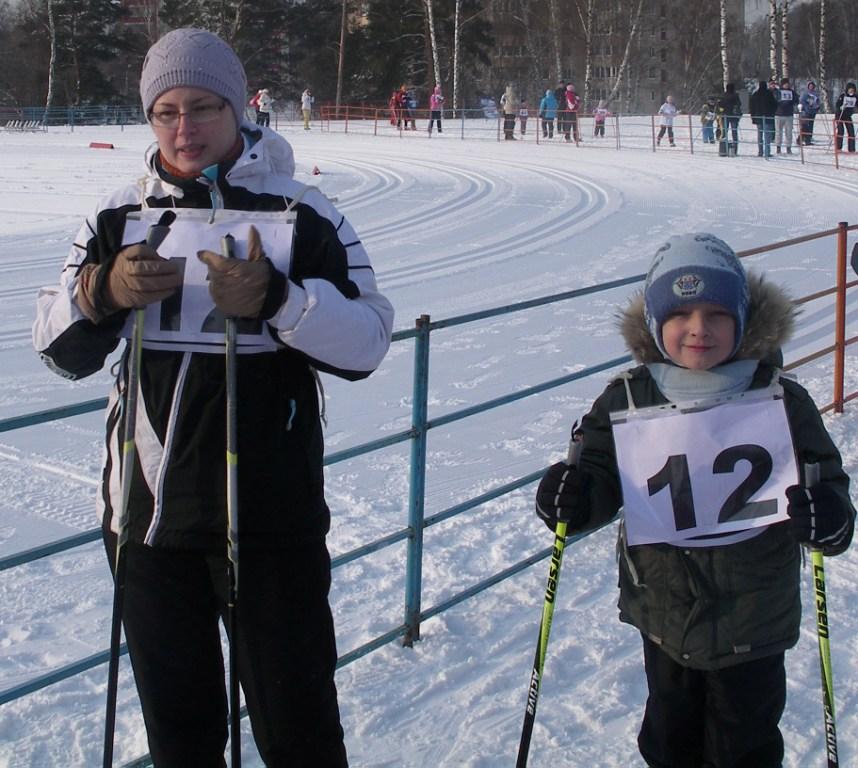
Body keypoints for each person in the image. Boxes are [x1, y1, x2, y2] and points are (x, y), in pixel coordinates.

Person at [33, 28, 394, 767]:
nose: (184, 128)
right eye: (166, 111)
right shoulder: (117, 214)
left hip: (269, 522)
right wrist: (100, 291)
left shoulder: (303, 211)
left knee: (298, 731)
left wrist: (281, 300)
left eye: (202, 107)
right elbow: (55, 347)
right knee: (182, 734)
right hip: (147, 521)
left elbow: (369, 340)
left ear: (238, 108)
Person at [534, 232, 855, 768]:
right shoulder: (630, 397)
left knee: (744, 747)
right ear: (657, 322)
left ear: (743, 319)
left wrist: (828, 518)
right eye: (680, 314)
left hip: (754, 618)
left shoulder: (779, 398)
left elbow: (828, 484)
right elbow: (599, 476)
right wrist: (571, 497)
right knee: (669, 741)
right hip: (665, 614)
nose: (699, 329)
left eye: (716, 313)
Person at [750, 79, 778, 157]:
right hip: (768, 117)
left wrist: (753, 116)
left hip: (758, 117)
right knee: (767, 135)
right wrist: (772, 113)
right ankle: (767, 152)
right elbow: (774, 104)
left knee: (760, 135)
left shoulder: (755, 94)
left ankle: (760, 151)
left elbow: (751, 106)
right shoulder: (769, 94)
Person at [716, 82, 742, 156]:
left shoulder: (724, 95)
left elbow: (720, 105)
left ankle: (723, 150)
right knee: (734, 133)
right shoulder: (736, 96)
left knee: (724, 132)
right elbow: (739, 104)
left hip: (725, 116)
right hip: (734, 117)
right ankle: (735, 150)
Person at [774, 77, 796, 154]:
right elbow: (775, 100)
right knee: (778, 132)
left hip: (789, 114)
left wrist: (792, 102)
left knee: (789, 132)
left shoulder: (792, 92)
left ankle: (788, 147)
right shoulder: (778, 92)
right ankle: (778, 147)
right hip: (779, 114)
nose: (787, 85)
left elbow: (796, 99)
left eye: (787, 84)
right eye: (785, 84)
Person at [835, 82, 857, 153]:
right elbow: (837, 104)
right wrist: (841, 107)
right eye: (850, 90)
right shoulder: (843, 96)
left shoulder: (855, 97)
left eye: (853, 90)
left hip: (847, 116)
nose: (851, 92)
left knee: (851, 131)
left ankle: (851, 149)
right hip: (840, 115)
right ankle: (838, 148)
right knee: (841, 131)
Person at [798, 80, 820, 145]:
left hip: (813, 111)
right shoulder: (805, 93)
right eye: (810, 86)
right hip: (805, 112)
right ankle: (801, 138)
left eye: (812, 86)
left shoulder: (815, 94)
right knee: (805, 126)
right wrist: (806, 107)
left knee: (811, 125)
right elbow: (802, 102)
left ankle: (809, 138)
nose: (811, 87)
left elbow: (817, 101)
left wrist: (817, 107)